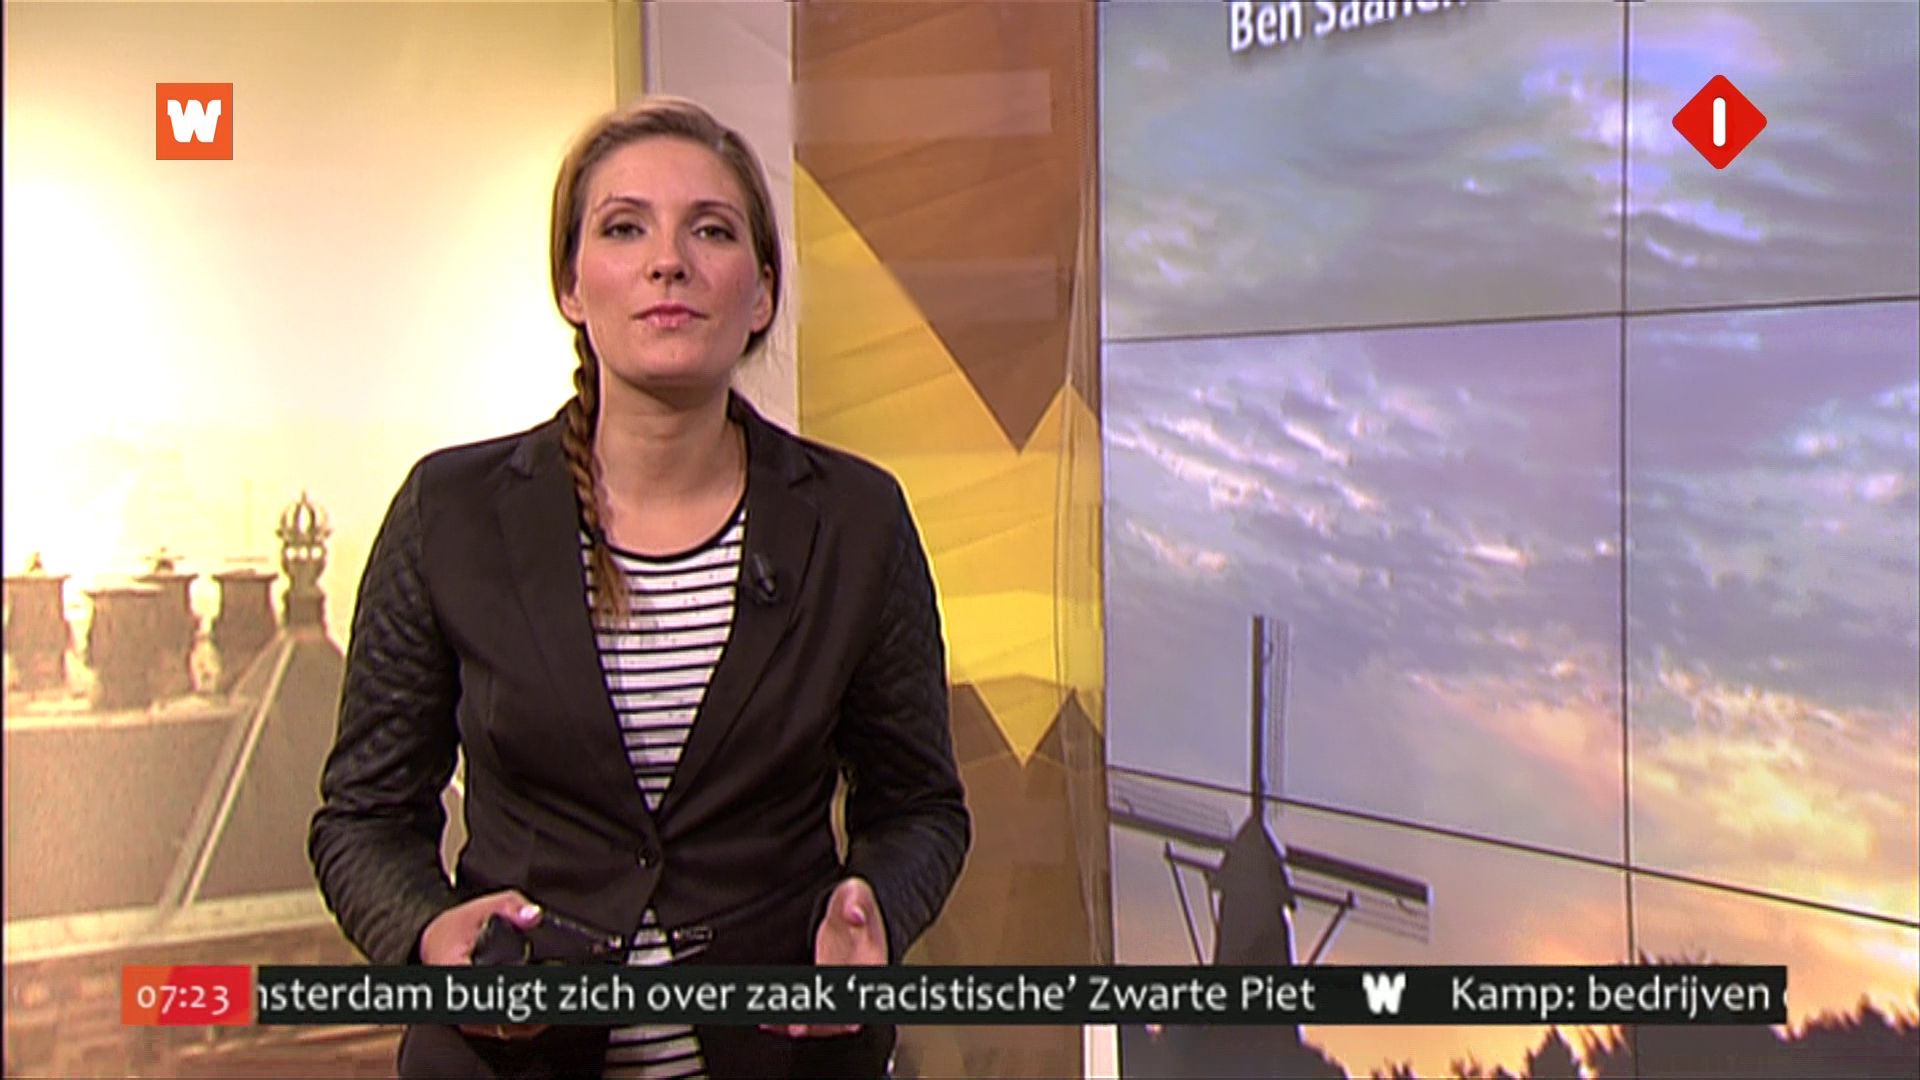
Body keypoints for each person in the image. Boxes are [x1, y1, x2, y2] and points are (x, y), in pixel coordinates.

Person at [308, 95, 971, 1080]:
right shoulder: (449, 514)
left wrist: (872, 908)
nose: (670, 261)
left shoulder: (856, 521)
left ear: (761, 294)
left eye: (712, 231)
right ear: (571, 285)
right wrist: (430, 938)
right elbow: (363, 818)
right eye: (625, 229)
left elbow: (920, 806)